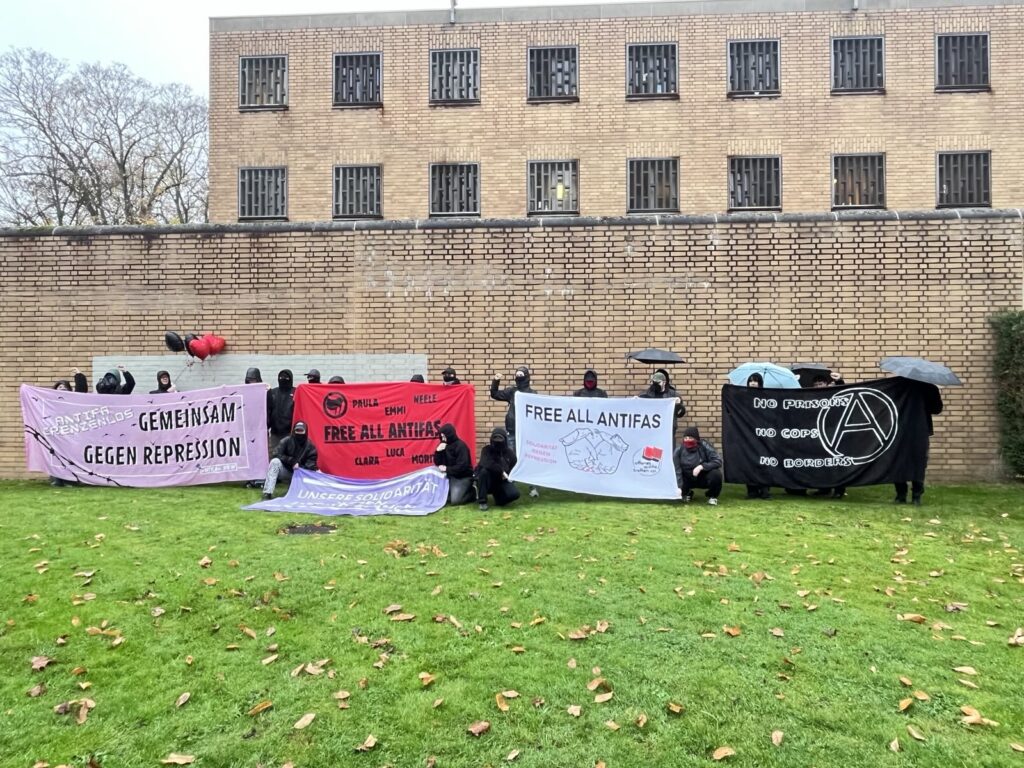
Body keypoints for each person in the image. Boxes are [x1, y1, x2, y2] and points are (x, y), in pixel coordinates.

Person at [490, 366, 539, 497]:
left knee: (529, 459)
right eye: (517, 375)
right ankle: (509, 484)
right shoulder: (512, 391)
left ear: (526, 377)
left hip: (527, 433)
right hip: (512, 431)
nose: (519, 377)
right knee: (509, 458)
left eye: (521, 375)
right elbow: (495, 394)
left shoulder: (533, 394)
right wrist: (496, 381)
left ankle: (532, 487)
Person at [895, 381, 943, 505]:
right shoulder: (930, 387)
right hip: (920, 429)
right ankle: (916, 496)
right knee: (918, 462)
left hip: (902, 428)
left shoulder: (898, 385)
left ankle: (901, 495)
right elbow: (937, 409)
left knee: (899, 461)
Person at [261, 421, 318, 499]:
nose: (299, 433)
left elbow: (311, 466)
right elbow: (276, 454)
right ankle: (267, 492)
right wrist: (292, 461)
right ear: (294, 431)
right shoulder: (286, 441)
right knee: (274, 462)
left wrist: (299, 467)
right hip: (286, 471)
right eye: (297, 430)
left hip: (300, 474)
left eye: (301, 431)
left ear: (305, 432)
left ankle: (299, 489)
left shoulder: (310, 446)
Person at [674, 426, 723, 505]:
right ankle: (687, 492)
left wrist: (701, 467)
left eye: (690, 438)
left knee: (716, 474)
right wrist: (679, 487)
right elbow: (677, 470)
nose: (687, 440)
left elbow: (718, 461)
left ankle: (712, 496)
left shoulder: (704, 446)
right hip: (687, 477)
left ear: (696, 439)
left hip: (702, 476)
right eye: (685, 438)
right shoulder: (679, 450)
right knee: (675, 478)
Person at [476, 427, 520, 511]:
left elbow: (514, 466)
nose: (498, 442)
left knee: (514, 494)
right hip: (488, 479)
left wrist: (509, 476)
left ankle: (499, 499)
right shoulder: (486, 450)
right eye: (495, 439)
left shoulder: (509, 453)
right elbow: (486, 463)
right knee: (484, 472)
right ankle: (482, 501)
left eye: (500, 439)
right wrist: (501, 471)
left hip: (501, 480)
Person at [638, 368, 686, 441]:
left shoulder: (673, 395)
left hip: (668, 429)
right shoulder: (647, 394)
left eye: (658, 382)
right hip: (652, 429)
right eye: (654, 382)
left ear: (664, 382)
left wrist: (678, 405)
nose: (655, 384)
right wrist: (637, 400)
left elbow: (680, 413)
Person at [744, 374, 771, 500]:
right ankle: (752, 490)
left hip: (763, 435)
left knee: (764, 462)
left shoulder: (766, 397)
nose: (753, 383)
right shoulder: (743, 397)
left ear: (760, 383)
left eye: (755, 381)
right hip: (747, 435)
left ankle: (765, 489)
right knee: (749, 462)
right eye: (751, 381)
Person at [434, 423, 475, 505]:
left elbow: (462, 466)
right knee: (441, 497)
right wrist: (438, 451)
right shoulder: (443, 445)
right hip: (449, 475)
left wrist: (447, 469)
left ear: (450, 435)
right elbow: (438, 463)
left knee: (456, 500)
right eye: (442, 437)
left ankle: (472, 492)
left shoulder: (461, 446)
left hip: (462, 476)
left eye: (444, 436)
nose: (443, 439)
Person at [267, 370, 295, 453]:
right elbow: (267, 411)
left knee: (289, 454)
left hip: (290, 433)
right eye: (281, 377)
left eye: (286, 377)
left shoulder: (296, 392)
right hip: (275, 433)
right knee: (274, 454)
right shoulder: (272, 392)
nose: (283, 379)